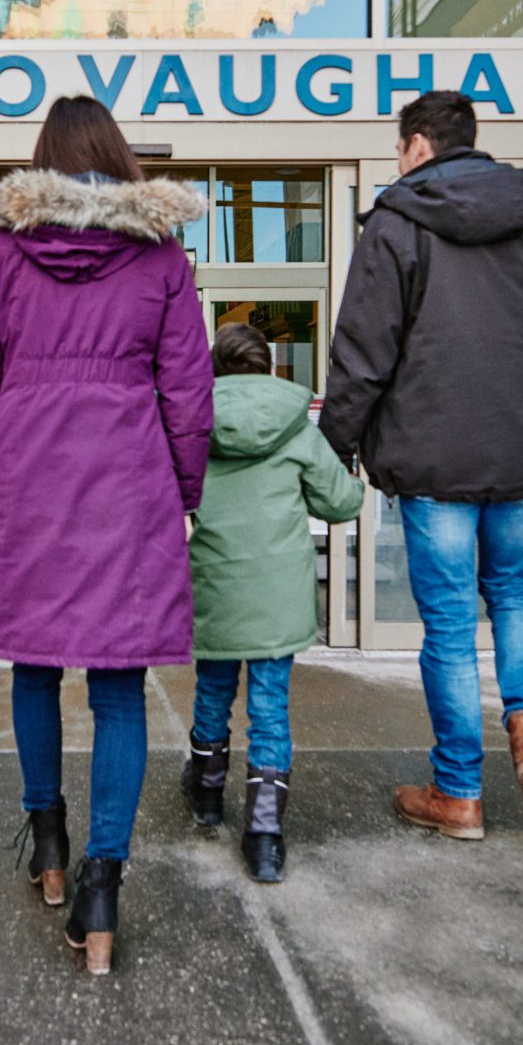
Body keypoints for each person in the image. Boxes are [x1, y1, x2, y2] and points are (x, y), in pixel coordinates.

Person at [0, 95, 212, 975]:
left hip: (24, 478)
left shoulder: (1, 252)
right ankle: (103, 887)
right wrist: (181, 489)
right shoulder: (161, 256)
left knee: (32, 663)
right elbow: (187, 388)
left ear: (43, 161)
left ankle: (50, 848)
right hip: (127, 483)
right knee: (117, 686)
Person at [321, 91, 523, 841]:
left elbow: (363, 353)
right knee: (516, 592)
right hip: (519, 449)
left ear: (417, 145)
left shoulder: (396, 223)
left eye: (398, 148)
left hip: (431, 456)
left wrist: (338, 448)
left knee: (450, 625)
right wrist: (522, 385)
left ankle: (458, 794)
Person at [182, 321, 363, 883]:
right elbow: (340, 504)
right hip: (279, 594)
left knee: (213, 691)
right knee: (269, 708)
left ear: (214, 366)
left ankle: (207, 796)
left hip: (214, 585)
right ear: (268, 367)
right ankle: (264, 837)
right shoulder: (297, 428)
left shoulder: (192, 425)